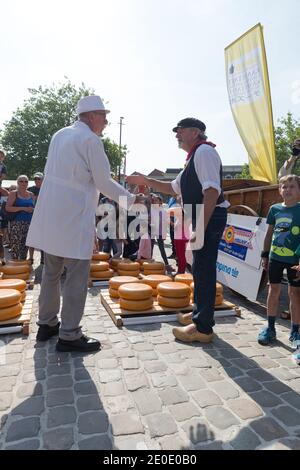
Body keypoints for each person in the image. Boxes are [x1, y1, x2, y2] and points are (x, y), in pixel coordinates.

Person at [26, 95, 138, 353]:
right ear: (90, 116)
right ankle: (69, 334)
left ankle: (46, 324)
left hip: (52, 218)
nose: (106, 121)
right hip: (73, 218)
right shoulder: (90, 140)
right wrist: (132, 200)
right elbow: (103, 182)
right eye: (103, 115)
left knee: (51, 275)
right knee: (76, 278)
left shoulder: (59, 135)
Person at [127, 117, 228, 343]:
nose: (176, 135)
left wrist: (199, 228)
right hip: (204, 217)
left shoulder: (204, 152)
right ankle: (199, 315)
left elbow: (212, 192)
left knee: (203, 270)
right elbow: (171, 188)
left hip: (209, 217)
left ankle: (202, 328)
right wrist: (146, 180)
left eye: (180, 130)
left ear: (195, 132)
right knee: (199, 269)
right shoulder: (193, 158)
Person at [258, 175, 300, 364]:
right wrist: (265, 254)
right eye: (284, 186)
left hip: (295, 260)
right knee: (273, 290)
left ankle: (296, 332)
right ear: (279, 190)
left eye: (292, 186)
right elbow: (269, 234)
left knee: (295, 294)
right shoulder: (274, 209)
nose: (287, 189)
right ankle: (270, 328)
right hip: (275, 258)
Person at [6, 175, 35, 260]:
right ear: (17, 182)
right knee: (15, 246)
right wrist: (23, 208)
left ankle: (22, 265)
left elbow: (34, 207)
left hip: (29, 223)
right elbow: (8, 208)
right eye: (21, 181)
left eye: (26, 181)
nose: (24, 183)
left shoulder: (31, 194)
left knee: (25, 246)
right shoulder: (13, 193)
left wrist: (32, 209)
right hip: (16, 223)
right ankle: (14, 266)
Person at [28, 172, 44, 264]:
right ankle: (31, 258)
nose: (37, 180)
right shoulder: (30, 189)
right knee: (32, 237)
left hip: (43, 216)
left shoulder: (47, 189)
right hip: (32, 216)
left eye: (39, 179)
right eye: (35, 179)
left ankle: (43, 258)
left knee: (43, 237)